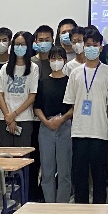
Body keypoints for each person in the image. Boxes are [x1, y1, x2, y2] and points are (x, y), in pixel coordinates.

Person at [64, 28, 108, 204]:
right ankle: (81, 211)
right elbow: (72, 102)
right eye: (88, 45)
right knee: (79, 177)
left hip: (99, 132)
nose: (91, 48)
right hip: (79, 131)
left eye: (95, 45)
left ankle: (101, 213)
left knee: (100, 177)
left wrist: (101, 120)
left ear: (101, 47)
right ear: (84, 47)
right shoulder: (75, 73)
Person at [35, 46, 72, 203]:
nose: (56, 61)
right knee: (47, 171)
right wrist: (46, 122)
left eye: (59, 58)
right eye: (53, 58)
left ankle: (62, 206)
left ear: (65, 60)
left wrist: (62, 119)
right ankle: (49, 205)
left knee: (64, 171)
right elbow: (37, 107)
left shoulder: (70, 82)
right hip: (46, 127)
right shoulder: (43, 82)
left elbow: (74, 106)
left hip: (65, 126)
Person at [0, 30, 39, 147]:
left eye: (23, 44)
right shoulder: (5, 67)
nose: (19, 47)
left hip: (24, 119)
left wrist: (14, 115)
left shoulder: (34, 68)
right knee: (5, 155)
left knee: (23, 155)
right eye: (17, 44)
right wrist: (8, 117)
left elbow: (32, 96)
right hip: (5, 118)